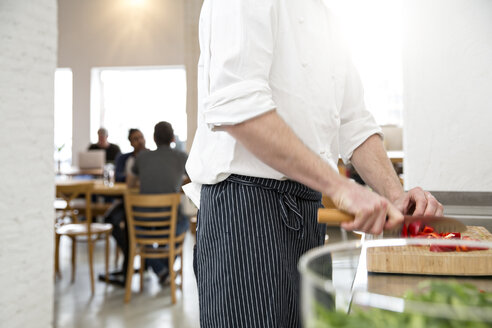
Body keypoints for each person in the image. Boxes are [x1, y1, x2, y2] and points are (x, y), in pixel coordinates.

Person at [184, 1, 443, 327]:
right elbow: (238, 104)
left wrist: (396, 195)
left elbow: (354, 122)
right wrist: (341, 187)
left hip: (308, 207)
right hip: (244, 207)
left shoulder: (331, 15)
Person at [102, 122, 188, 285]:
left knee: (136, 234)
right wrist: (178, 184)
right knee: (183, 222)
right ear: (172, 138)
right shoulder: (182, 157)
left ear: (154, 139)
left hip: (144, 220)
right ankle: (163, 266)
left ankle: (160, 269)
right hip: (170, 219)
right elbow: (196, 178)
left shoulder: (142, 158)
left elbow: (130, 184)